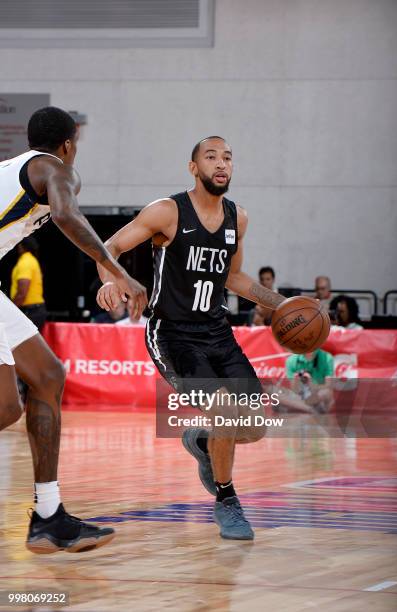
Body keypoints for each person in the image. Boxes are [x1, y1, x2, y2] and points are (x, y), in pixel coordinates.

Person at [96, 136, 288, 541]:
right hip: (173, 335)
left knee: (253, 426)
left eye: (228, 158)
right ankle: (227, 499)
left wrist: (280, 303)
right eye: (212, 157)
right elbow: (109, 247)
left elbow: (233, 277)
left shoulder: (239, 218)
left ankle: (201, 441)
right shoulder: (167, 211)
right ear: (193, 167)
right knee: (224, 408)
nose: (222, 164)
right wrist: (111, 281)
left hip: (218, 333)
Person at [0, 106, 147, 554]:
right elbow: (65, 215)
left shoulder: (14, 168)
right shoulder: (56, 169)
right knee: (10, 404)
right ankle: (48, 517)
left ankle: (48, 517)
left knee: (41, 381)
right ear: (69, 143)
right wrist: (114, 268)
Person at [11, 237, 47, 333]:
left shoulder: (25, 262)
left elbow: (22, 293)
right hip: (36, 310)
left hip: (31, 311)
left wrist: (10, 310)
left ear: (21, 247)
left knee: (18, 345)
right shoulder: (32, 260)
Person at [286, 348, 334, 413]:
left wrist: (311, 383)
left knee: (325, 392)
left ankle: (303, 407)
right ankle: (310, 409)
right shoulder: (291, 360)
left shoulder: (327, 358)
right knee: (274, 391)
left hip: (317, 393)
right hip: (301, 394)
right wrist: (295, 380)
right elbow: (294, 390)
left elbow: (328, 385)